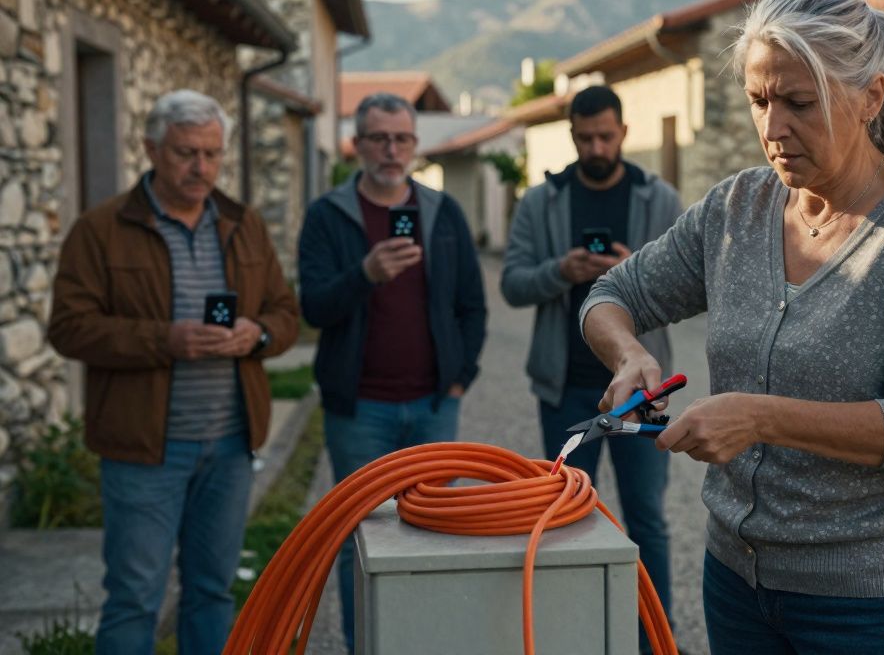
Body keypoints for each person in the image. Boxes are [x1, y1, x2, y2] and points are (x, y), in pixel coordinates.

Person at [580, 0, 884, 654]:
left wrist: (760, 417)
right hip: (737, 584)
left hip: (874, 603)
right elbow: (611, 295)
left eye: (799, 103)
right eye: (759, 100)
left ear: (871, 97)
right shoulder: (737, 208)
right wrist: (630, 355)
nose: (772, 129)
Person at [48, 90, 299, 655]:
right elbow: (68, 328)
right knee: (135, 595)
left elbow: (285, 313)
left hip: (231, 445)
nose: (201, 168)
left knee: (211, 591)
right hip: (143, 450)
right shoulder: (100, 229)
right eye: (187, 153)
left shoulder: (243, 224)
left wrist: (254, 334)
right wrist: (167, 340)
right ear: (151, 149)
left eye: (212, 154)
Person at [298, 92, 487, 651]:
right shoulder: (328, 215)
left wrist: (460, 376)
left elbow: (472, 305)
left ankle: (423, 641)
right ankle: (366, 644)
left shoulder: (442, 211)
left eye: (401, 138)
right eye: (378, 138)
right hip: (359, 410)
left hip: (433, 405)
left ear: (414, 145)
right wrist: (365, 273)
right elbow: (314, 307)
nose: (391, 149)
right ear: (357, 145)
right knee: (362, 540)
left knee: (432, 537)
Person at [500, 84, 683, 629]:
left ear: (624, 132)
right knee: (565, 519)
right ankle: (572, 632)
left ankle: (656, 636)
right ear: (572, 136)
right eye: (585, 138)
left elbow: (683, 290)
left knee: (647, 519)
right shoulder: (540, 201)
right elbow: (511, 284)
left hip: (643, 393)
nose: (597, 147)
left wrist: (638, 276)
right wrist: (561, 271)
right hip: (565, 387)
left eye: (606, 136)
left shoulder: (661, 199)